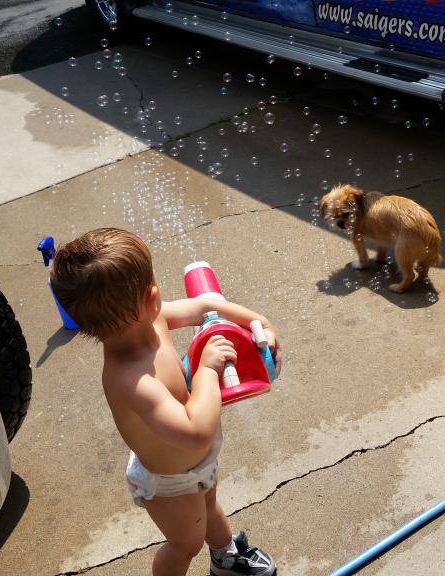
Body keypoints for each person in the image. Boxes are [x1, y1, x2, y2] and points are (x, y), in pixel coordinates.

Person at [51, 228, 280, 576]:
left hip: (196, 465)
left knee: (209, 505)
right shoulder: (131, 380)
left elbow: (206, 305)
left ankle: (225, 556)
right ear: (151, 295)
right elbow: (194, 431)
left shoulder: (150, 320)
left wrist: (256, 321)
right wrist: (206, 370)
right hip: (169, 481)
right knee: (184, 543)